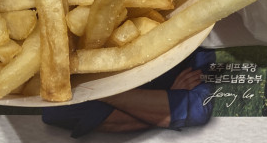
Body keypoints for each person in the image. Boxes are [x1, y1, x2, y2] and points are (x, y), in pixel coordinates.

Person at [41, 49, 216, 137]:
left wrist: (98, 92)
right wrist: (167, 100)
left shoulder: (197, 53)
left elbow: (198, 108)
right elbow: (55, 113)